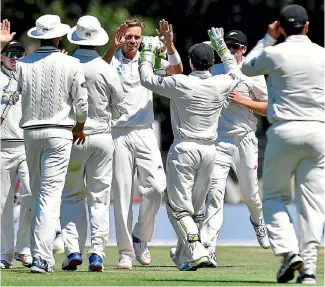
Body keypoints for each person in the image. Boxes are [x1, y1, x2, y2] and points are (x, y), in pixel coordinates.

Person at [138, 27, 241, 270]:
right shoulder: (220, 83)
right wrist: (223, 47)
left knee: (178, 207)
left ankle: (196, 250)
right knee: (196, 210)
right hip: (209, 151)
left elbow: (146, 79)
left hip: (184, 149)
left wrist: (147, 53)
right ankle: (187, 255)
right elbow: (236, 72)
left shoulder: (180, 83)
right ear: (212, 63)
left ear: (191, 62)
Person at [241, 4, 324, 284]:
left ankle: (289, 251)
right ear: (308, 26)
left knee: (274, 197)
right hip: (318, 132)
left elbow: (246, 67)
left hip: (284, 131)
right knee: (313, 204)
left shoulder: (274, 52)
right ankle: (309, 269)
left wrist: (267, 38)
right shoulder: (322, 55)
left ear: (282, 29)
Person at [3, 14, 89, 274]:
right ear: (60, 36)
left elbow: (9, 95)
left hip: (30, 134)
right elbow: (82, 104)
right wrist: (80, 126)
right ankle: (41, 257)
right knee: (49, 196)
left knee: (39, 194)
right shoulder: (72, 63)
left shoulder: (23, 64)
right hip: (60, 133)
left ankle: (31, 250)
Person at [102, 19, 182, 270]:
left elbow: (177, 71)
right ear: (121, 37)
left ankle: (140, 237)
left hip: (145, 131)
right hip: (118, 133)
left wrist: (169, 46)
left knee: (157, 188)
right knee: (122, 195)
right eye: (129, 36)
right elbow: (97, 73)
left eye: (137, 37)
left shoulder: (148, 59)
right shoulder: (112, 60)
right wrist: (110, 49)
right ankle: (125, 252)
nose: (133, 41)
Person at [60, 15, 126, 272]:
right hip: (101, 138)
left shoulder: (66, 65)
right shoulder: (106, 68)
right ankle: (97, 253)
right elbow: (120, 106)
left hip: (72, 136)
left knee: (72, 196)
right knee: (99, 198)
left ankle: (72, 250)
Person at [200, 30, 270, 260]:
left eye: (235, 46)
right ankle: (208, 247)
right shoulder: (215, 70)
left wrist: (244, 101)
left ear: (243, 49)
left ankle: (258, 221)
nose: (230, 50)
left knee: (250, 194)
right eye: (227, 46)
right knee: (215, 194)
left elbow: (268, 107)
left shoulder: (252, 73)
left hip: (245, 139)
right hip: (219, 140)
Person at [0, 38, 32, 269]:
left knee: (31, 196)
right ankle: (5, 253)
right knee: (3, 203)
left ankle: (23, 247)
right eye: (9, 53)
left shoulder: (30, 77)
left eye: (19, 54)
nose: (14, 57)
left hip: (27, 145)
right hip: (2, 146)